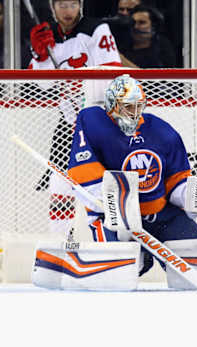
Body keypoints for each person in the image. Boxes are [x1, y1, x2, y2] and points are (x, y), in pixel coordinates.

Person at [67, 75, 197, 276]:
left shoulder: (161, 131)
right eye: (128, 107)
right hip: (113, 218)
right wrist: (120, 210)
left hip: (161, 215)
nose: (134, 113)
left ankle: (145, 251)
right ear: (112, 105)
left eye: (138, 106)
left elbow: (177, 181)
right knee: (119, 274)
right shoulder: (93, 121)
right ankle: (139, 256)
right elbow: (82, 173)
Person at [28, 0, 122, 239]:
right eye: (61, 4)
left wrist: (81, 88)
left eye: (72, 4)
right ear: (52, 6)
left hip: (98, 123)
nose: (67, 11)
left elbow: (112, 70)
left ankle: (111, 243)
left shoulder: (95, 29)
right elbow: (42, 84)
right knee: (59, 189)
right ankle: (62, 246)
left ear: (80, 5)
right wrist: (40, 57)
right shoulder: (47, 36)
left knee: (103, 189)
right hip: (67, 126)